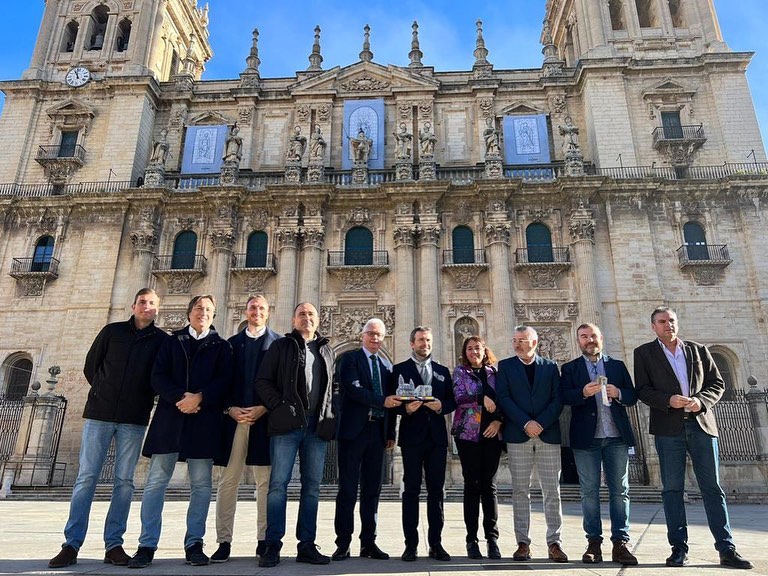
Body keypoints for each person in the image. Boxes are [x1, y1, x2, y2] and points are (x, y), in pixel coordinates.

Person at [48, 289, 168, 569]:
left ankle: (113, 544)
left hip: (134, 418)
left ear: (157, 309)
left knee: (124, 482)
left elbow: (159, 376)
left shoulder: (162, 341)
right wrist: (103, 392)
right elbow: (92, 367)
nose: (146, 307)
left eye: (151, 303)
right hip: (99, 414)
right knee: (86, 478)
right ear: (133, 305)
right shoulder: (111, 331)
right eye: (142, 302)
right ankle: (71, 544)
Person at [634, 307, 753, 569]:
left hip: (701, 425)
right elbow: (642, 390)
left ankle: (726, 548)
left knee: (712, 488)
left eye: (672, 321)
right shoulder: (643, 353)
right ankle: (678, 548)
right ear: (653, 326)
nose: (668, 325)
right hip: (668, 429)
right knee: (672, 490)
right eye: (662, 322)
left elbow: (717, 384)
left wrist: (700, 401)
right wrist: (668, 400)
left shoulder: (698, 350)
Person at [128, 295, 233, 569]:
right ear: (189, 313)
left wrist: (200, 398)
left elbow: (225, 381)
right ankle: (146, 544)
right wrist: (181, 399)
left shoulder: (221, 346)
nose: (203, 313)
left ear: (214, 316)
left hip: (204, 420)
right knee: (155, 483)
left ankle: (194, 544)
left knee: (201, 485)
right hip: (170, 419)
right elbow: (157, 376)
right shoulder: (170, 342)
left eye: (209, 310)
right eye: (199, 308)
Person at [255, 303, 337, 568]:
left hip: (316, 426)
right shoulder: (281, 346)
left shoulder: (326, 350)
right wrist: (280, 406)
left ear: (318, 319)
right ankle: (272, 544)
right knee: (278, 485)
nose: (307, 318)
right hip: (287, 425)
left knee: (312, 487)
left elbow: (331, 387)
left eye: (311, 314)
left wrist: (329, 413)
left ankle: (307, 545)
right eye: (302, 314)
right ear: (293, 320)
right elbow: (262, 381)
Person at [560, 323, 638, 566]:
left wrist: (620, 393)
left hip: (615, 437)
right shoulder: (570, 368)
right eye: (584, 337)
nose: (589, 340)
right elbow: (564, 397)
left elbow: (633, 396)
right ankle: (593, 542)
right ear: (578, 341)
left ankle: (621, 542)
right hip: (587, 438)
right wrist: (582, 392)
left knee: (620, 491)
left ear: (601, 338)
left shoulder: (617, 365)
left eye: (593, 335)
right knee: (589, 492)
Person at [210, 295, 280, 563]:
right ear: (246, 311)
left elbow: (283, 384)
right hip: (235, 419)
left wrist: (264, 407)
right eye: (253, 308)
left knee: (265, 483)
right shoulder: (231, 345)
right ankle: (223, 540)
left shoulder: (278, 344)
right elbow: (222, 382)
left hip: (265, 420)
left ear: (268, 312)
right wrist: (230, 409)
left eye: (262, 308)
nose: (257, 312)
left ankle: (263, 540)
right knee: (229, 481)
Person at [332, 318, 402, 561]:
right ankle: (343, 543)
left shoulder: (385, 367)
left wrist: (390, 433)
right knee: (347, 490)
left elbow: (393, 402)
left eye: (379, 335)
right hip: (353, 432)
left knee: (373, 491)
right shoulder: (350, 359)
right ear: (363, 335)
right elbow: (352, 389)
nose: (375, 338)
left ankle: (368, 543)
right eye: (371, 334)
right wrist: (381, 401)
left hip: (377, 433)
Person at [496, 325, 567, 563]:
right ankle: (522, 542)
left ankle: (554, 542)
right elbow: (503, 398)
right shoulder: (505, 366)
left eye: (522, 340)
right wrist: (526, 422)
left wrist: (541, 423)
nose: (516, 344)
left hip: (547, 434)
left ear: (534, 342)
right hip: (518, 433)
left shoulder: (550, 367)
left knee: (552, 491)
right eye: (514, 340)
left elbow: (558, 399)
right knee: (520, 491)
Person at [391, 326, 456, 562]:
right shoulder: (400, 369)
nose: (425, 344)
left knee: (436, 491)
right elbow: (392, 403)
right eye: (420, 340)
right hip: (411, 437)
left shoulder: (441, 371)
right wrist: (405, 408)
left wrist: (442, 406)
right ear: (412, 343)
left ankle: (436, 543)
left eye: (428, 340)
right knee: (410, 491)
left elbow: (451, 401)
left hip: (437, 438)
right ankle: (410, 545)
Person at [450, 336, 504, 560]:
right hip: (467, 434)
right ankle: (471, 539)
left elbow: (505, 398)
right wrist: (483, 398)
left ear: (485, 351)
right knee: (472, 485)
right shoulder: (460, 373)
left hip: (492, 432)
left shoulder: (495, 374)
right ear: (465, 352)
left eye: (477, 348)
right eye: (469, 349)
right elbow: (459, 396)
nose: (474, 352)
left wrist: (498, 420)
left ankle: (492, 539)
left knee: (489, 486)